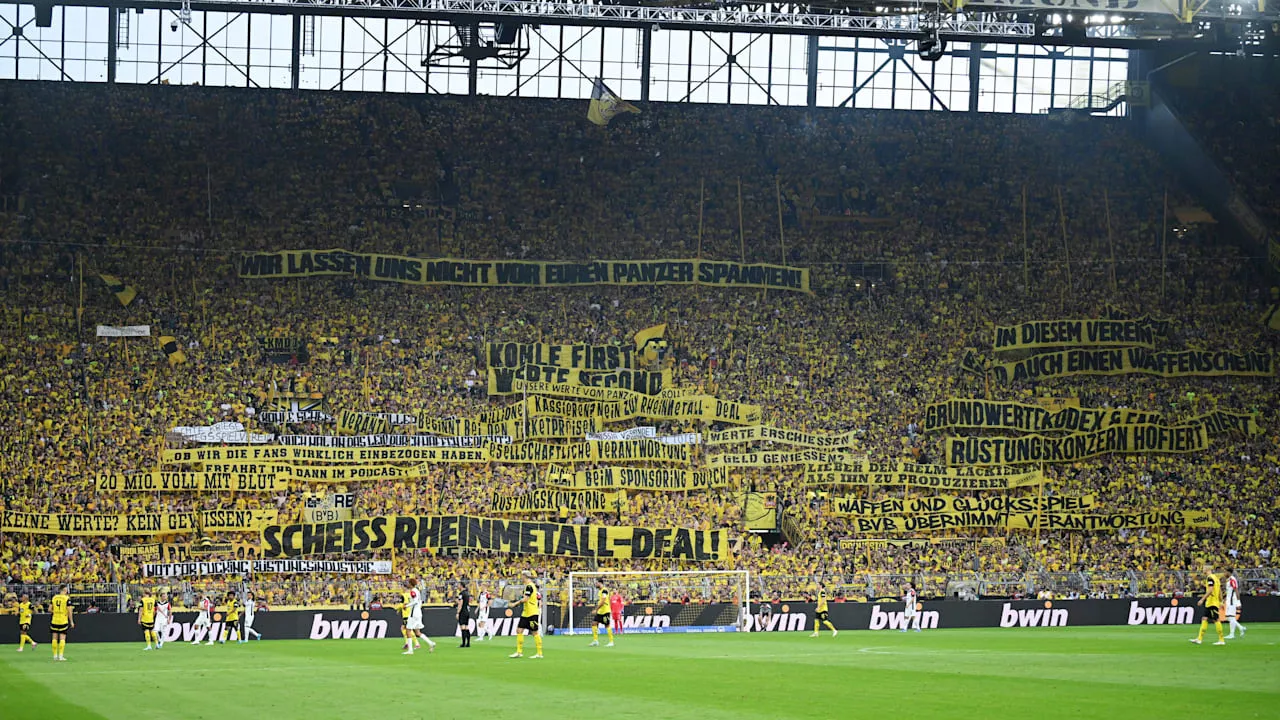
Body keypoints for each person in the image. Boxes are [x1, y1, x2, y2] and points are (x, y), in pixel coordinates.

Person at [510, 571, 544, 659]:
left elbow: (525, 599)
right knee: (519, 630)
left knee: (534, 632)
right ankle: (519, 652)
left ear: (525, 576)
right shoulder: (529, 586)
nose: (521, 578)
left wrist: (515, 603)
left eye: (522, 576)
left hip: (532, 612)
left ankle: (539, 653)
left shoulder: (529, 586)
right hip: (526, 612)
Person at [1190, 566, 1226, 646]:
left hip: (1212, 602)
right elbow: (1220, 590)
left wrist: (1202, 599)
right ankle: (1199, 639)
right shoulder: (1216, 578)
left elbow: (1210, 590)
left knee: (1216, 620)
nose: (1202, 569)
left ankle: (1221, 640)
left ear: (1207, 569)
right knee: (1204, 618)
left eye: (1203, 568)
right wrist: (1221, 600)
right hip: (1213, 602)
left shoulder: (1210, 578)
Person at [401, 579, 436, 655]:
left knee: (408, 630)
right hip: (418, 612)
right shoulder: (417, 591)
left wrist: (406, 605)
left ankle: (410, 650)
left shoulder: (413, 591)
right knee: (417, 632)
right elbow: (418, 602)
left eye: (408, 583)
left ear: (411, 584)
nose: (407, 584)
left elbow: (415, 601)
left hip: (414, 613)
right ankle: (431, 643)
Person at [50, 585, 74, 661]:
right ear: (63, 590)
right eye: (66, 590)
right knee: (62, 638)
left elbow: (49, 609)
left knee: (54, 638)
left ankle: (54, 656)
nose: (67, 591)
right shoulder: (67, 599)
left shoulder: (54, 598)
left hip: (54, 620)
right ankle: (60, 656)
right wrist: (71, 621)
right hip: (63, 620)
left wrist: (56, 612)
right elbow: (70, 611)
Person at [589, 580, 614, 647]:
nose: (595, 584)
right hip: (600, 611)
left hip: (605, 611)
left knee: (607, 625)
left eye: (596, 583)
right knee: (594, 623)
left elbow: (603, 601)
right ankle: (595, 641)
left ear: (600, 583)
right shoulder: (600, 591)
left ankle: (611, 642)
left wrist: (596, 609)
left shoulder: (604, 590)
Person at [1223, 569, 1247, 639]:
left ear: (1228, 572)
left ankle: (1232, 634)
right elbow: (1229, 591)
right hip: (1229, 600)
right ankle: (1240, 628)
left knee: (1230, 617)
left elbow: (1236, 590)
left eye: (1225, 572)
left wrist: (1238, 601)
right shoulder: (1229, 579)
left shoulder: (1232, 579)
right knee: (1229, 617)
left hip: (1231, 601)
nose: (1224, 573)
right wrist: (1225, 599)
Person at [457, 583, 472, 648]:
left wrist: (458, 612)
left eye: (458, 585)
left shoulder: (461, 594)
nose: (458, 586)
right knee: (466, 627)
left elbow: (461, 603)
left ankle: (463, 643)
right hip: (467, 611)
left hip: (462, 612)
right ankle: (468, 643)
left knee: (462, 627)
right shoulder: (467, 593)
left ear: (461, 586)